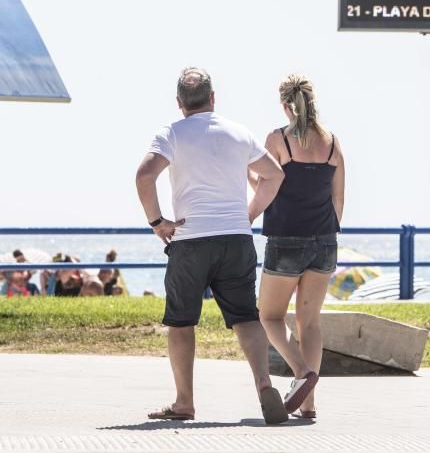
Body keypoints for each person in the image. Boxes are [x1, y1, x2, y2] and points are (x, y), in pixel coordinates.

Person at [135, 67, 289, 424]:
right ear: (213, 98)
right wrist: (248, 215)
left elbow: (144, 175)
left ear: (179, 104)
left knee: (182, 322)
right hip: (235, 239)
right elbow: (275, 175)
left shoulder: (172, 133)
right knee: (246, 317)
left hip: (190, 240)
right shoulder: (238, 132)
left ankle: (184, 402)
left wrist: (158, 222)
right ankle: (264, 384)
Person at [256, 74, 344, 420]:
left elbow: (267, 188)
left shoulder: (278, 139)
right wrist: (325, 231)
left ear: (284, 105)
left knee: (270, 316)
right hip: (324, 240)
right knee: (310, 322)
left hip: (285, 238)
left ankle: (301, 373)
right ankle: (308, 404)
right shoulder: (334, 143)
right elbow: (338, 199)